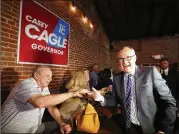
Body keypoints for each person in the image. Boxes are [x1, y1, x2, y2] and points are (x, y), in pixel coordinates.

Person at [86, 46, 176, 134]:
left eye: (128, 57)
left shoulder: (150, 72)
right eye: (121, 59)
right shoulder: (117, 78)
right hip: (129, 127)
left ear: (135, 58)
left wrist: (164, 129)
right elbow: (114, 100)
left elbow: (169, 101)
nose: (125, 62)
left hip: (151, 128)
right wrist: (101, 98)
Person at [1, 66, 88, 133]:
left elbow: (51, 107)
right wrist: (72, 93)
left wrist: (62, 124)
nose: (50, 79)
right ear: (36, 75)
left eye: (51, 77)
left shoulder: (44, 87)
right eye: (47, 76)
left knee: (67, 126)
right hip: (14, 130)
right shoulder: (25, 84)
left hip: (35, 128)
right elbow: (40, 102)